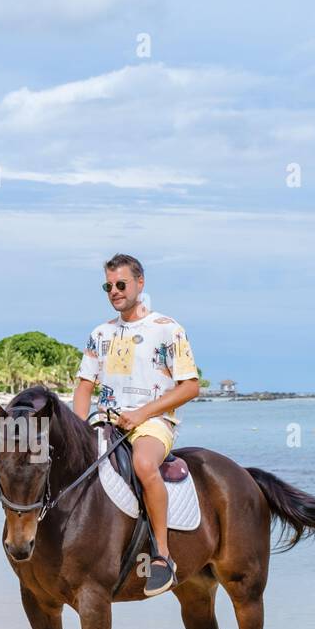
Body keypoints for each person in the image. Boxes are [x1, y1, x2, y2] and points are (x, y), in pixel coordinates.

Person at [72, 254, 200, 596]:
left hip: (152, 424)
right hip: (105, 422)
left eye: (121, 284)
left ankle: (162, 556)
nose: (114, 291)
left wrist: (143, 413)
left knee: (143, 463)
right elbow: (84, 386)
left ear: (140, 284)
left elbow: (190, 386)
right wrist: (79, 427)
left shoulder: (167, 329)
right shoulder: (100, 333)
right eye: (108, 286)